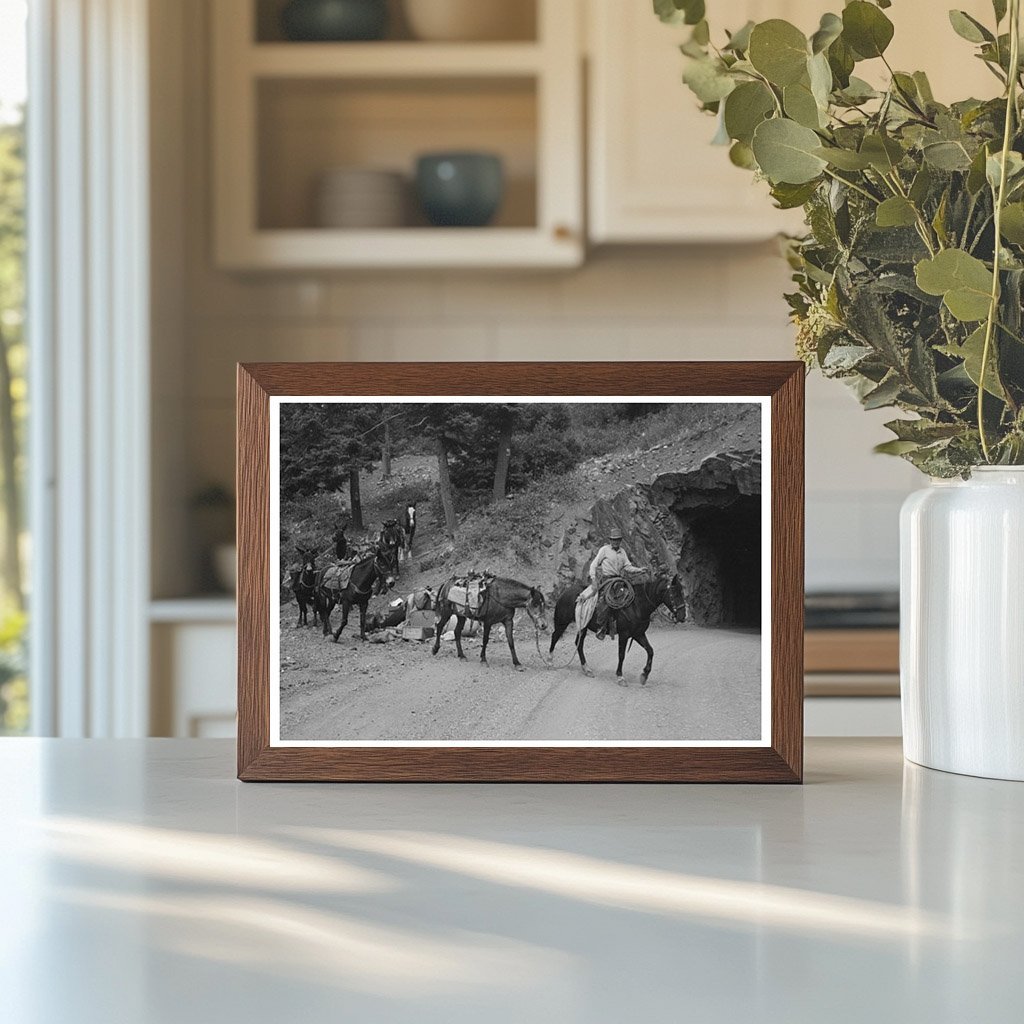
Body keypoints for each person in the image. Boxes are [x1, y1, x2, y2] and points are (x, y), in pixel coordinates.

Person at [588, 528, 637, 640]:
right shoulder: (604, 550)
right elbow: (594, 565)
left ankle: (627, 624)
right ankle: (601, 627)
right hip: (607, 580)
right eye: (614, 540)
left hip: (619, 580)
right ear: (610, 540)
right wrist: (593, 578)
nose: (616, 542)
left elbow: (628, 567)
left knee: (630, 597)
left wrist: (639, 570)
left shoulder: (622, 552)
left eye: (618, 540)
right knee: (605, 601)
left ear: (620, 541)